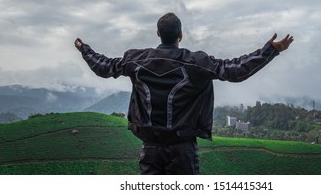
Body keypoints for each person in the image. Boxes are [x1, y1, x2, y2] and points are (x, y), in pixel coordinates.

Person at [74, 12, 293, 175]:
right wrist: (270, 50)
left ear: (158, 34)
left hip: (150, 148)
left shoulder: (135, 60)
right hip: (182, 150)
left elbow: (104, 67)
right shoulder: (196, 63)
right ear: (180, 35)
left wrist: (85, 49)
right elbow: (234, 70)